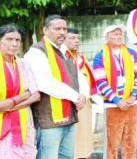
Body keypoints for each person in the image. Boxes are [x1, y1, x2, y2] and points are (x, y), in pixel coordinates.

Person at [24, 15, 89, 159]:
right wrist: (76, 97)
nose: (62, 32)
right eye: (57, 29)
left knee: (66, 157)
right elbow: (45, 82)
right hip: (49, 120)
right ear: (45, 30)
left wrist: (84, 95)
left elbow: (80, 76)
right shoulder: (36, 51)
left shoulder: (66, 51)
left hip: (70, 117)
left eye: (64, 29)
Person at [93, 24, 137, 159]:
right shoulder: (100, 57)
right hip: (113, 105)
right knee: (112, 144)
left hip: (133, 103)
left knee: (131, 142)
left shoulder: (132, 53)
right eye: (114, 34)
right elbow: (101, 82)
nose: (118, 36)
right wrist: (118, 100)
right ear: (106, 37)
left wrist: (133, 95)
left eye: (120, 33)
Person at [0, 24, 40, 158]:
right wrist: (23, 96)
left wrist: (10, 106)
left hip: (23, 122)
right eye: (9, 39)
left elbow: (35, 95)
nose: (14, 44)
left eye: (17, 40)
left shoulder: (23, 64)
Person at [64, 28, 97, 159]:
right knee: (73, 140)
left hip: (84, 104)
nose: (76, 41)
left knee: (85, 137)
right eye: (72, 38)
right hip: (70, 104)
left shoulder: (81, 58)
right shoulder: (62, 58)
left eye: (78, 38)